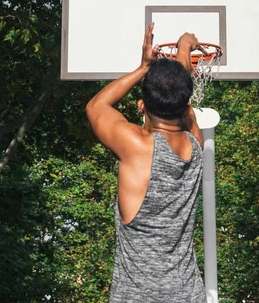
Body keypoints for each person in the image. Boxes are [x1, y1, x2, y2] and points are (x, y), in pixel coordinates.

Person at [86, 23, 207, 303]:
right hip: (189, 294)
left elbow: (96, 107)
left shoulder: (137, 146)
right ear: (186, 102)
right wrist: (184, 48)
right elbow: (181, 100)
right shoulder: (197, 144)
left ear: (141, 106)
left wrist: (143, 67)